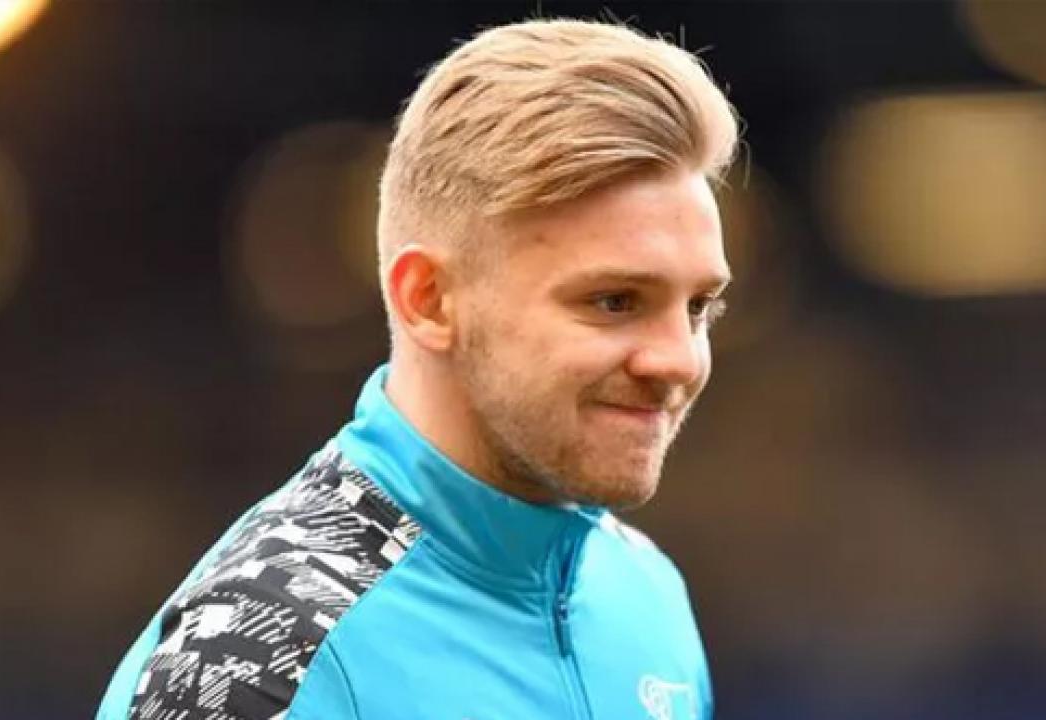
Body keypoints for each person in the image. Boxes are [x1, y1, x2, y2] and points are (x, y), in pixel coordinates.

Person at [97, 17, 738, 720]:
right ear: (428, 300)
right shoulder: (258, 656)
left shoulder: (644, 593)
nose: (678, 359)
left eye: (698, 307)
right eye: (614, 301)